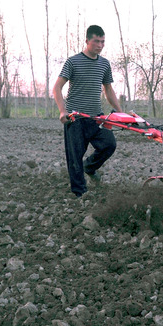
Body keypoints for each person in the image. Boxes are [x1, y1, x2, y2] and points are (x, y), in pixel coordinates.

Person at [53, 25, 122, 197]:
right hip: (75, 118)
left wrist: (121, 112)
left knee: (109, 145)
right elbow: (57, 88)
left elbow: (108, 90)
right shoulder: (73, 62)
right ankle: (80, 194)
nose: (100, 45)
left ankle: (89, 167)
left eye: (103, 41)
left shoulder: (104, 64)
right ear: (87, 41)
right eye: (96, 41)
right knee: (74, 158)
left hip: (96, 118)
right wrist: (62, 111)